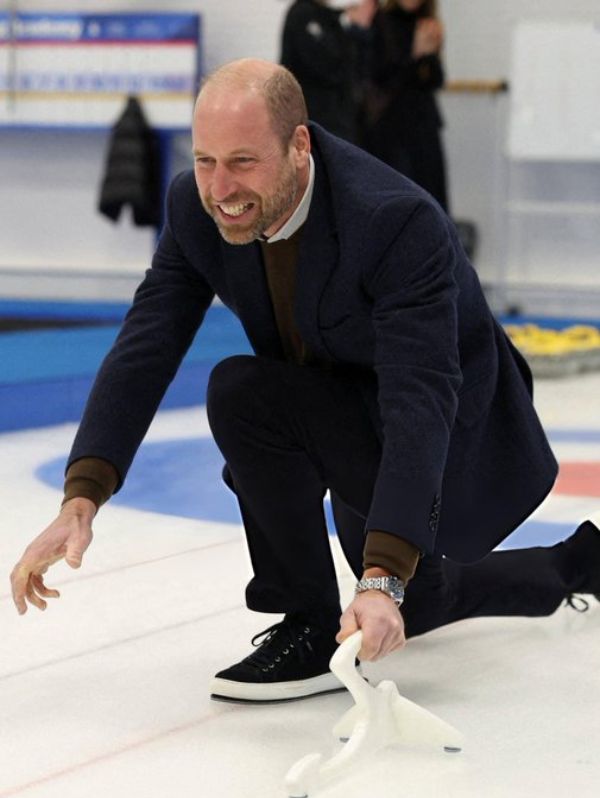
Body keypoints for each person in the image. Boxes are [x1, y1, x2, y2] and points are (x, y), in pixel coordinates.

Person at [10, 59, 600, 706]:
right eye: (205, 160)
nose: (220, 187)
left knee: (399, 583)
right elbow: (146, 343)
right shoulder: (194, 207)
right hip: (345, 406)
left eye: (242, 161)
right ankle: (565, 565)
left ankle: (329, 623)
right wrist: (82, 495)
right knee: (407, 589)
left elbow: (421, 398)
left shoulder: (397, 223)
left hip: (452, 435)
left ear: (299, 145)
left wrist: (381, 575)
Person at [363, 0, 449, 210]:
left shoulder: (425, 23)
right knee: (402, 199)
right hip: (392, 128)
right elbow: (382, 78)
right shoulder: (382, 22)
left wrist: (430, 54)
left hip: (423, 124)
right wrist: (416, 53)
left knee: (432, 196)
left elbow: (435, 80)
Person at [280, 0, 377, 144]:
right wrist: (354, 29)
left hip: (340, 120)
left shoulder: (331, 17)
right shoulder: (302, 14)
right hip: (315, 121)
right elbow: (326, 66)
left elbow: (358, 69)